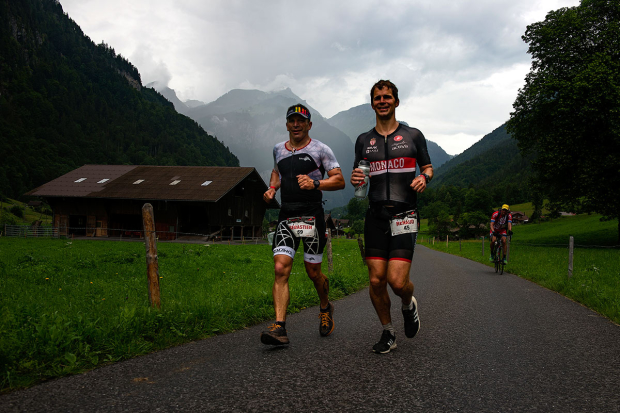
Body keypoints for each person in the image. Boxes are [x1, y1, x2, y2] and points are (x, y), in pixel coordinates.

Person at [350, 80, 433, 354]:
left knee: (397, 282)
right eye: (378, 98)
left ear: (396, 101)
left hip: (405, 214)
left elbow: (428, 168)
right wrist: (355, 179)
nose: (382, 101)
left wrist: (424, 178)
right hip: (375, 215)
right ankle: (388, 332)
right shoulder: (363, 140)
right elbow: (358, 176)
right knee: (376, 281)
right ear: (372, 103)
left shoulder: (413, 135)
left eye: (387, 97)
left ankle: (408, 304)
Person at [261, 103, 345, 346]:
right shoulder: (278, 149)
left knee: (313, 272)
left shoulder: (321, 149)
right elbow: (277, 172)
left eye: (301, 121)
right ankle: (279, 327)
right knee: (280, 268)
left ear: (309, 125)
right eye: (292, 120)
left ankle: (325, 306)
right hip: (287, 216)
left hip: (311, 216)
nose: (296, 125)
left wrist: (315, 183)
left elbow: (339, 180)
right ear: (287, 124)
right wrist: (272, 188)